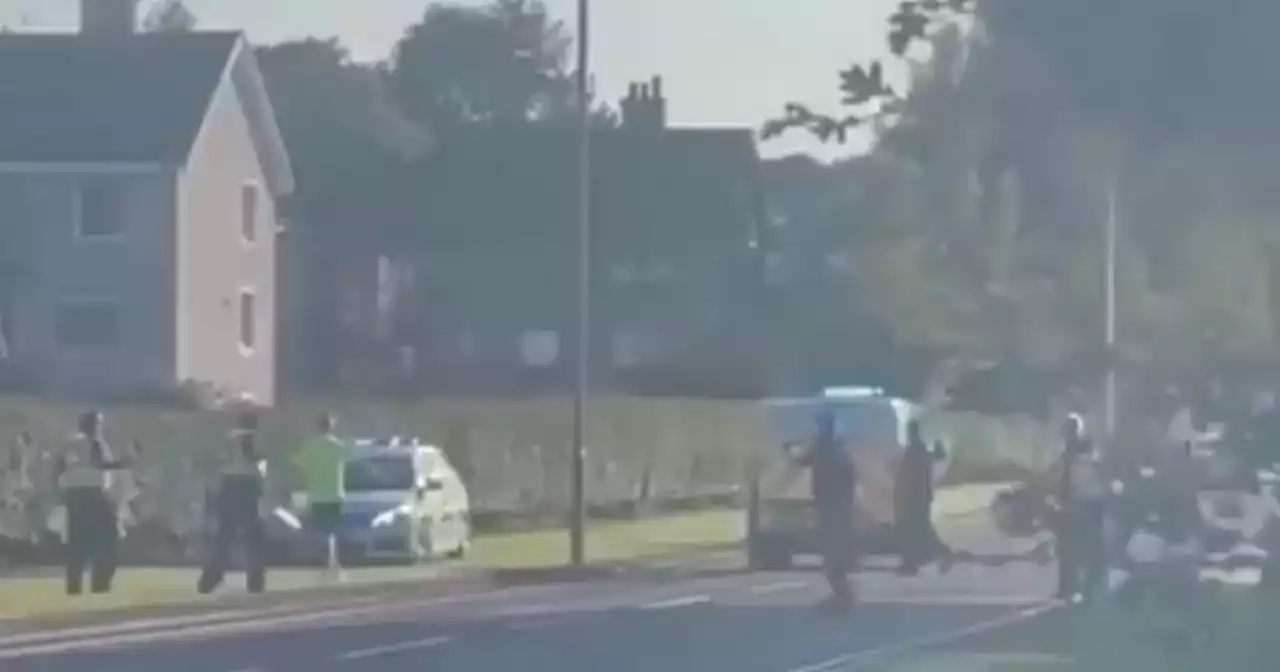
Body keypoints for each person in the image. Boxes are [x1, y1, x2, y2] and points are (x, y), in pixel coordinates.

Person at [55, 410, 130, 595]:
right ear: (92, 424)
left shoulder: (69, 443)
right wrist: (122, 463)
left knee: (76, 543)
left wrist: (62, 489)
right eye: (99, 423)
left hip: (73, 496)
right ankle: (100, 584)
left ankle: (74, 587)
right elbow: (98, 464)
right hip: (93, 494)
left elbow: (57, 468)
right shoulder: (94, 442)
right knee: (108, 538)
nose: (101, 427)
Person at [198, 409, 268, 594]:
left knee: (224, 535)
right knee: (253, 537)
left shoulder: (229, 438)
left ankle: (212, 577)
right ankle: (255, 580)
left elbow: (216, 460)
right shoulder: (256, 438)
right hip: (247, 485)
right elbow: (259, 463)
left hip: (228, 485)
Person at [793, 408, 857, 612]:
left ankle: (842, 596)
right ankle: (843, 595)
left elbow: (802, 460)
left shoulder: (822, 446)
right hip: (841, 503)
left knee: (831, 552)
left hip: (829, 503)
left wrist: (791, 451)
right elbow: (851, 476)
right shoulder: (840, 447)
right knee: (836, 551)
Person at [1052, 413, 1109, 603]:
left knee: (1087, 546)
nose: (1069, 435)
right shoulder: (1069, 453)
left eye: (1071, 430)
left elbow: (1087, 475)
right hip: (1079, 502)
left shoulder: (1085, 451)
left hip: (1088, 502)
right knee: (1069, 547)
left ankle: (1085, 587)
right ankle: (1070, 587)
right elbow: (1064, 479)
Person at [895, 420, 953, 575]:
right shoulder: (917, 450)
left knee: (914, 530)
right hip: (917, 497)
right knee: (917, 531)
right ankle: (912, 562)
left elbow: (915, 476)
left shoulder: (916, 450)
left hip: (916, 497)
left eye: (910, 431)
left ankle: (916, 561)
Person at [296, 412, 346, 580]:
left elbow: (300, 464)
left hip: (317, 495)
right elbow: (350, 458)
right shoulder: (338, 446)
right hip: (334, 494)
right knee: (332, 531)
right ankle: (332, 562)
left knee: (322, 531)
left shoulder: (310, 446)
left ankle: (328, 562)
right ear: (331, 427)